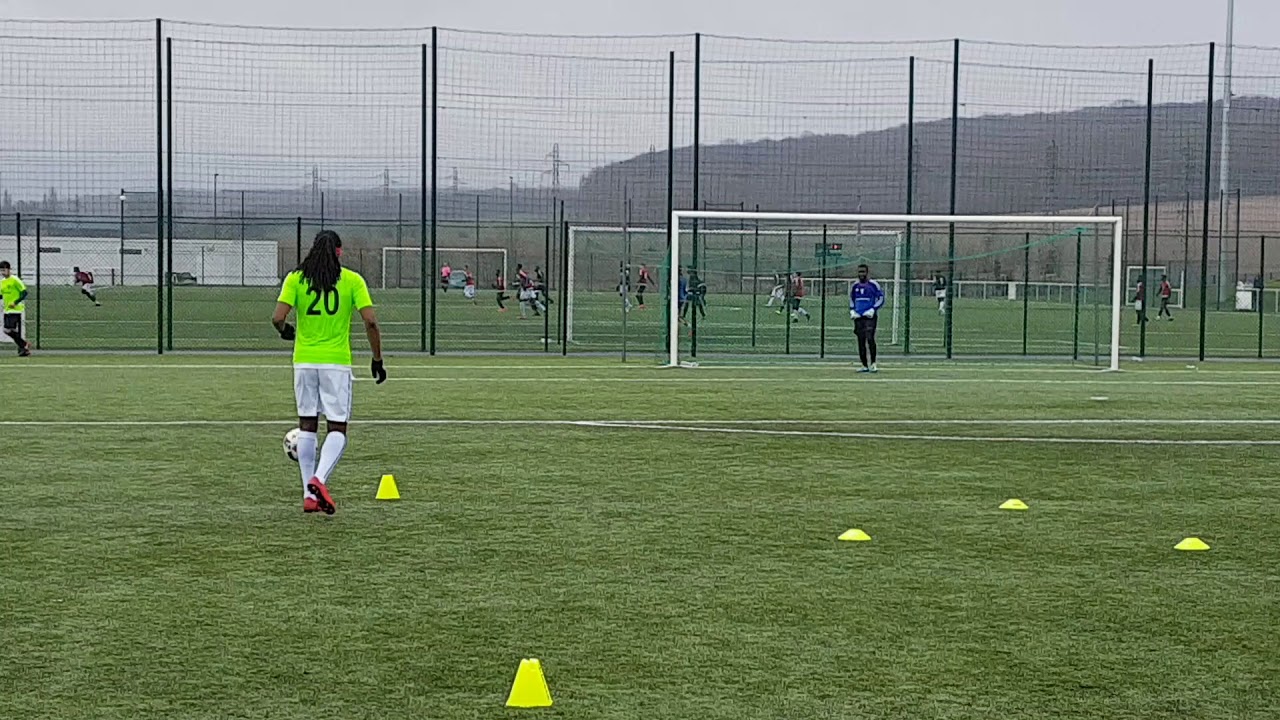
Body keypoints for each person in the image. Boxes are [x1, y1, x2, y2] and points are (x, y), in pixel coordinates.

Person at [271, 230, 386, 515]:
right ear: (339, 252)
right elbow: (370, 322)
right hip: (335, 363)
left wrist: (286, 332)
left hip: (304, 362)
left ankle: (308, 495)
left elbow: (277, 318)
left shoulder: (295, 279)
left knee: (307, 425)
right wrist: (377, 359)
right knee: (337, 427)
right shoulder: (352, 280)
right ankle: (318, 481)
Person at [850, 263, 885, 373]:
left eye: (863, 272)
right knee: (860, 340)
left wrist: (873, 309)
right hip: (858, 316)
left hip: (869, 316)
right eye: (859, 272)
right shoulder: (855, 286)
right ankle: (864, 365)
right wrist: (852, 310)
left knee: (870, 338)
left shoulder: (873, 285)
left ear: (867, 273)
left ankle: (873, 363)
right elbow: (851, 299)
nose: (861, 274)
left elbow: (881, 298)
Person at [0, 261, 32, 357]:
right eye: (1, 270)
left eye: (4, 270)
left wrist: (15, 302)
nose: (2, 272)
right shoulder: (2, 282)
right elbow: (1, 295)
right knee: (8, 330)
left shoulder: (15, 280)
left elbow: (24, 293)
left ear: (9, 269)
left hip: (15, 309)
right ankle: (23, 347)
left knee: (8, 329)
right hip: (7, 309)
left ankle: (23, 345)